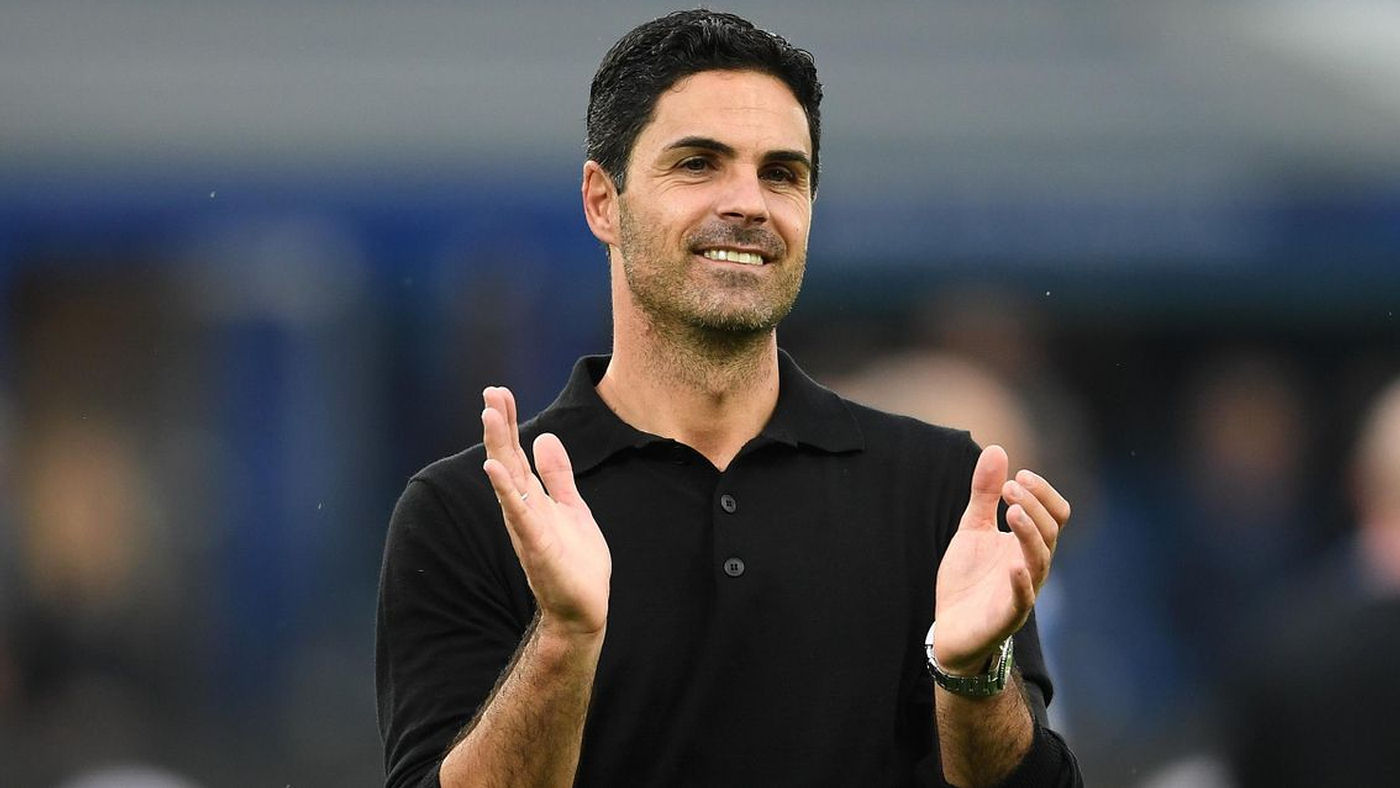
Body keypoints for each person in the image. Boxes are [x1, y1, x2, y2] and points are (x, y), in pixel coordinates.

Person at [377, 10, 1081, 787]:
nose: (748, 202)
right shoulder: (470, 512)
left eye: (781, 173)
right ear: (603, 202)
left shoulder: (941, 488)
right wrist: (564, 640)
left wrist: (972, 675)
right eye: (698, 164)